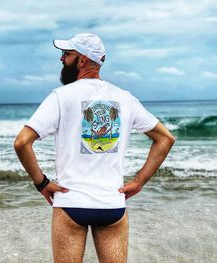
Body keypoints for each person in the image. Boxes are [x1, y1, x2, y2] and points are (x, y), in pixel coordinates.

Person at [14, 33, 175, 263]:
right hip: (112, 204)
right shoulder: (125, 98)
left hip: (71, 203)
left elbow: (21, 142)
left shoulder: (61, 96)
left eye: (66, 54)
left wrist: (42, 183)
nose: (61, 59)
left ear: (81, 60)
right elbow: (165, 139)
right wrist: (139, 181)